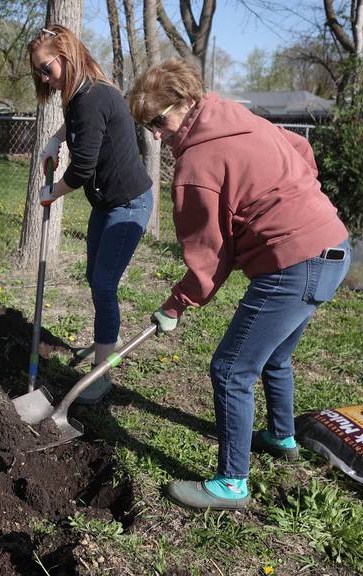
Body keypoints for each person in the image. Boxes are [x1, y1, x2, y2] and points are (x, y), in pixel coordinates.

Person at [127, 58, 351, 510]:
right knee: (276, 355)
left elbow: (209, 253)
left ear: (184, 102)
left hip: (293, 262)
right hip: (334, 246)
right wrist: (298, 197)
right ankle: (281, 436)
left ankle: (232, 483)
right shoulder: (236, 115)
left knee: (231, 370)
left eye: (158, 120)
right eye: (146, 125)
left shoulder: (196, 163)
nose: (154, 134)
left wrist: (176, 304)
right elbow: (300, 150)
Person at [27, 25, 153, 402]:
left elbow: (82, 169)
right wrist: (55, 138)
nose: (43, 78)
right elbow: (81, 125)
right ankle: (104, 346)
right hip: (106, 204)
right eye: (38, 72)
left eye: (46, 68)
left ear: (66, 56)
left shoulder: (93, 95)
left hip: (127, 204)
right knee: (94, 278)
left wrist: (52, 193)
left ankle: (101, 375)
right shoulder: (80, 93)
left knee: (103, 285)